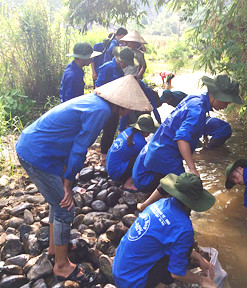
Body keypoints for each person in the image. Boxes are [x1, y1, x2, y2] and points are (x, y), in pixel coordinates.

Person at [16, 75, 152, 284]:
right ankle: (61, 265)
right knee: (65, 206)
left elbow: (70, 140)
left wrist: (65, 176)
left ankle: (55, 247)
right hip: (36, 153)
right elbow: (80, 148)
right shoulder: (101, 111)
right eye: (128, 108)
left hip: (39, 147)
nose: (128, 112)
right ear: (121, 105)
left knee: (58, 200)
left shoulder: (95, 102)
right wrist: (68, 181)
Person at [133, 74, 243, 211]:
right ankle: (179, 220)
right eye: (227, 101)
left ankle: (144, 206)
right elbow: (182, 138)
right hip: (167, 153)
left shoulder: (195, 98)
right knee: (188, 189)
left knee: (175, 181)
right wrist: (193, 169)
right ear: (217, 96)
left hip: (158, 148)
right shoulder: (198, 110)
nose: (226, 106)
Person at [113, 173, 217, 288]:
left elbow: (171, 241)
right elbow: (176, 273)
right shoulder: (184, 228)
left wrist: (199, 257)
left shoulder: (160, 203)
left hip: (119, 271)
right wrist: (201, 281)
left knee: (177, 249)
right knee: (177, 261)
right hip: (133, 283)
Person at [95, 46, 136, 166]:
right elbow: (98, 88)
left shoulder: (120, 71)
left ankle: (106, 154)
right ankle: (103, 157)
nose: (127, 66)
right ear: (121, 60)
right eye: (126, 63)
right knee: (105, 130)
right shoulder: (107, 68)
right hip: (104, 105)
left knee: (111, 130)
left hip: (115, 106)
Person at [106, 114, 158, 190]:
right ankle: (129, 183)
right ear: (146, 131)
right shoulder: (140, 143)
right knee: (143, 159)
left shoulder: (128, 130)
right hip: (116, 172)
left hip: (109, 167)